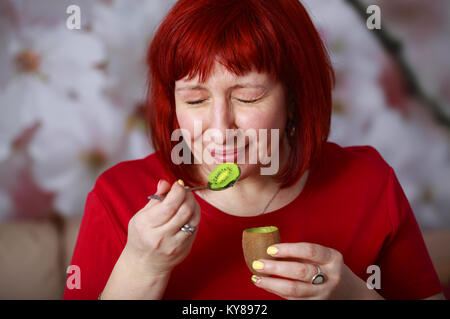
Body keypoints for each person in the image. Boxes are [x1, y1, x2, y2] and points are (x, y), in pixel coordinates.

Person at [63, 0, 444, 300]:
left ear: (294, 98)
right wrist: (141, 267)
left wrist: (354, 296)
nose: (219, 127)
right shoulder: (120, 195)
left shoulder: (368, 183)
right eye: (194, 100)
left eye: (248, 97)